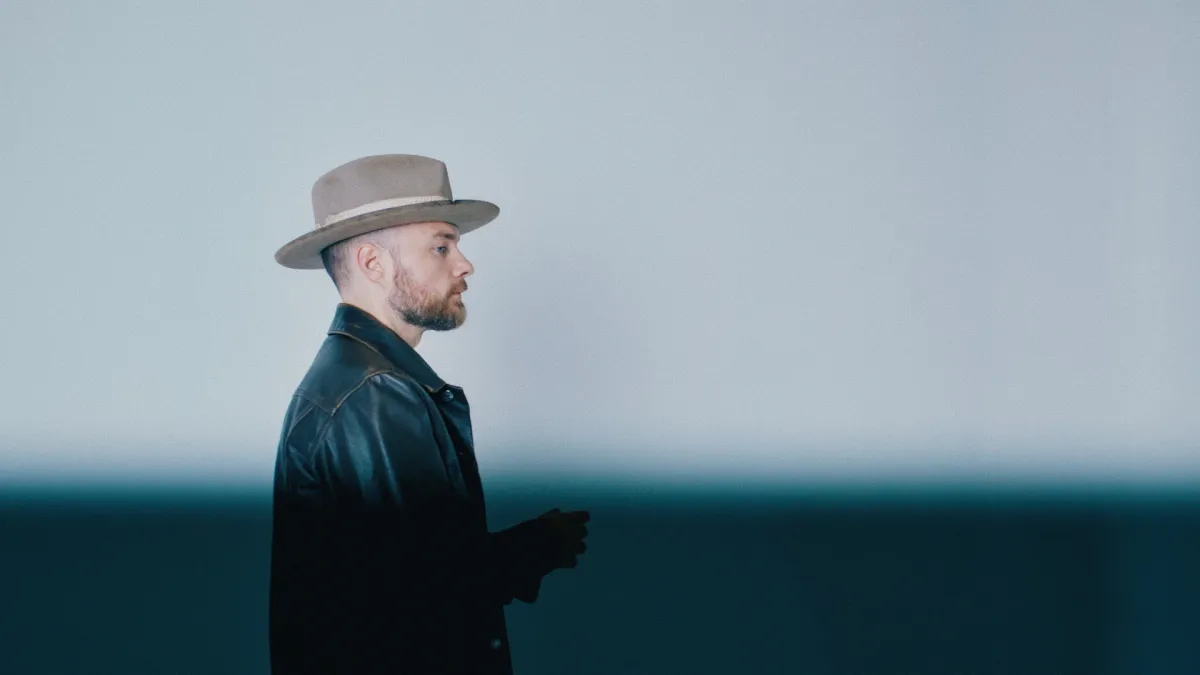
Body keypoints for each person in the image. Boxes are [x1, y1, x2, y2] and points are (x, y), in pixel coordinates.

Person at [268, 154, 590, 674]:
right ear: (373, 263)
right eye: (441, 246)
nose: (465, 265)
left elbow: (395, 578)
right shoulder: (377, 393)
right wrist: (537, 546)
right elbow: (430, 593)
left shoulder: (352, 380)